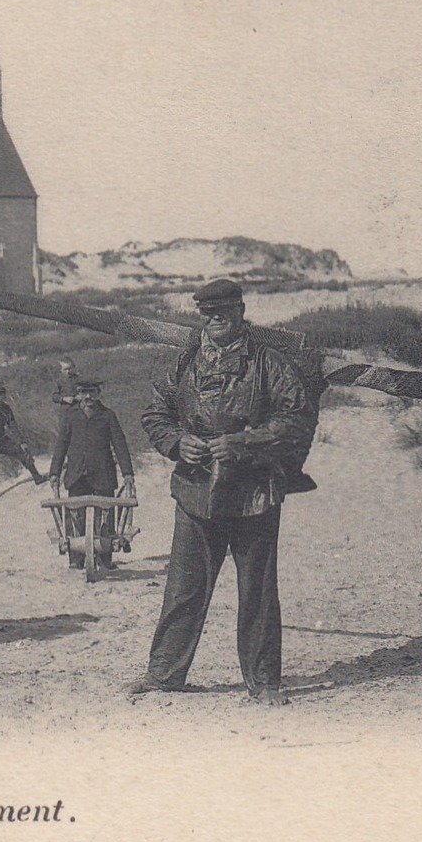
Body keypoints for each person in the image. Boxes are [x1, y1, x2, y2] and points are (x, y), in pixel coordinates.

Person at [133, 279, 316, 705]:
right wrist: (179, 442)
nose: (216, 320)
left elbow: (296, 421)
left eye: (225, 312)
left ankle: (265, 682)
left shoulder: (269, 364)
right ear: (201, 316)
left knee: (257, 593)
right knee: (183, 588)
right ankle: (163, 676)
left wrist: (245, 442)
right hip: (196, 493)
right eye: (208, 314)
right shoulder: (185, 364)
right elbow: (155, 413)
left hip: (254, 493)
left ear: (240, 312)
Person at [48, 378, 137, 570]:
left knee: (105, 515)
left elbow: (119, 444)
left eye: (92, 392)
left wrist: (128, 472)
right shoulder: (70, 416)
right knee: (74, 515)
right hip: (76, 473)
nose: (88, 397)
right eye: (84, 392)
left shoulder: (108, 416)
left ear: (98, 393)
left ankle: (105, 557)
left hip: (102, 473)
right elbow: (61, 444)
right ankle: (76, 558)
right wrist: (54, 472)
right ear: (79, 394)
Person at [51, 357, 81, 428]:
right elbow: (54, 396)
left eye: (70, 369)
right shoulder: (60, 381)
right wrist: (63, 399)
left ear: (74, 368)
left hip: (79, 410)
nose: (68, 372)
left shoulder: (80, 379)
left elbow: (88, 391)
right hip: (65, 412)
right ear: (61, 370)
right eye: (65, 369)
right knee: (65, 431)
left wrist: (81, 396)